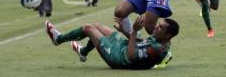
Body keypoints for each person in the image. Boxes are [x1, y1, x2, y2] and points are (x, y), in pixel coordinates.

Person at [45, 16, 179, 69]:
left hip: (119, 58)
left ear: (168, 35)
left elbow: (131, 56)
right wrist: (124, 32)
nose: (156, 27)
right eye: (158, 24)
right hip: (124, 48)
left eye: (160, 27)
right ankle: (83, 52)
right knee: (97, 25)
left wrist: (133, 31)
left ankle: (58, 39)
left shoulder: (158, 49)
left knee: (87, 28)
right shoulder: (160, 39)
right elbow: (143, 42)